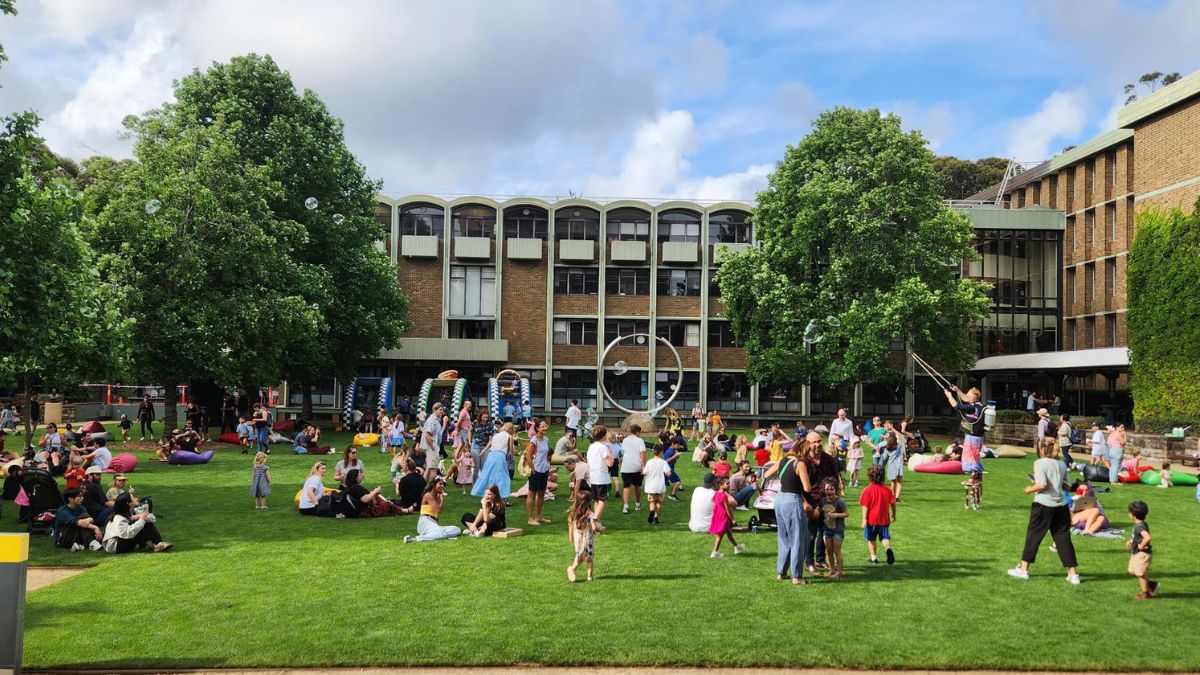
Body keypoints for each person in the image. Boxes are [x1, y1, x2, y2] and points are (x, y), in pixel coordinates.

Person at [1007, 438, 1080, 585]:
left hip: (1043, 505)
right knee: (1063, 538)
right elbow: (1067, 486)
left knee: (1033, 536)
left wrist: (1029, 489)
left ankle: (1023, 569)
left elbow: (1041, 484)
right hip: (1061, 506)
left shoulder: (1039, 463)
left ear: (1041, 449)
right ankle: (1073, 575)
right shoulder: (1061, 464)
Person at [762, 442, 812, 584]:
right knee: (797, 539)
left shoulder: (783, 460)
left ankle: (781, 573)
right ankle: (796, 576)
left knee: (783, 538)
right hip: (793, 500)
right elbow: (807, 488)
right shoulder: (800, 464)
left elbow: (766, 474)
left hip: (779, 499)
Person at [801, 431, 838, 572]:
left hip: (826, 501)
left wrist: (834, 501)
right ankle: (808, 562)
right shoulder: (803, 462)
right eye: (813, 442)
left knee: (826, 531)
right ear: (807, 444)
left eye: (819, 441)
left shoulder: (829, 459)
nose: (817, 444)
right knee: (811, 533)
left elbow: (834, 480)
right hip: (810, 502)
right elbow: (800, 487)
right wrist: (807, 505)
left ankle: (820, 559)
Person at [943, 385, 986, 504]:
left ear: (974, 397)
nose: (966, 396)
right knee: (975, 456)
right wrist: (957, 391)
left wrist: (949, 395)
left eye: (969, 394)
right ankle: (976, 476)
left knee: (970, 455)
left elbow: (956, 406)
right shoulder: (978, 405)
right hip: (978, 437)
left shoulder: (972, 408)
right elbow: (966, 398)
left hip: (973, 437)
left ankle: (973, 477)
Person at [103, 493, 172, 553]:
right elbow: (127, 533)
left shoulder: (132, 511)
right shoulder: (118, 518)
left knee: (143, 523)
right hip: (115, 546)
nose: (136, 499)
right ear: (128, 503)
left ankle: (156, 544)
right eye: (133, 498)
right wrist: (141, 519)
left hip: (120, 541)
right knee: (142, 524)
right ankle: (157, 544)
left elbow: (153, 519)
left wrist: (141, 516)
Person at [404, 477, 461, 543]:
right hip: (425, 522)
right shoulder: (428, 495)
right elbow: (438, 510)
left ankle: (437, 535)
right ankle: (415, 539)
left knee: (456, 529)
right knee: (440, 532)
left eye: (443, 484)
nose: (442, 486)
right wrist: (442, 499)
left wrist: (440, 498)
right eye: (440, 484)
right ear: (434, 485)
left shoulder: (437, 496)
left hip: (433, 523)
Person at [860, 464, 896, 565]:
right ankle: (888, 549)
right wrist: (894, 514)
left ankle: (873, 558)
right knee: (885, 537)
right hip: (884, 519)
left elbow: (865, 506)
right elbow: (893, 503)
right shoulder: (887, 490)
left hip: (871, 520)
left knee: (871, 538)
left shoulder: (867, 490)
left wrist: (864, 519)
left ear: (869, 477)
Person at [1126, 500, 1158, 600]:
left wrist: (1141, 546)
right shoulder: (1140, 524)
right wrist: (1131, 541)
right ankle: (1151, 584)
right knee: (1131, 571)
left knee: (1139, 573)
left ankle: (1145, 593)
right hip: (1136, 553)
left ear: (1133, 515)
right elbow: (1138, 537)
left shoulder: (1139, 527)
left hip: (1142, 554)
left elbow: (1147, 537)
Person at [473, 421, 514, 499]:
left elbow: (491, 445)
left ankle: (486, 494)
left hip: (491, 456)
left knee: (488, 475)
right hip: (500, 456)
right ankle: (502, 496)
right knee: (502, 477)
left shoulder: (496, 435)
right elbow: (510, 451)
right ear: (510, 429)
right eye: (513, 429)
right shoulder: (509, 437)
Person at [585, 424, 613, 531]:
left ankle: (597, 523)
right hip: (601, 477)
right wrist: (611, 451)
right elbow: (610, 463)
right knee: (602, 500)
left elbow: (588, 462)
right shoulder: (603, 448)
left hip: (593, 477)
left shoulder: (591, 447)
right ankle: (594, 519)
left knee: (597, 500)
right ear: (603, 436)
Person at [819, 479, 849, 579]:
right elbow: (819, 510)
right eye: (827, 489)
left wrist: (836, 515)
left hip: (837, 530)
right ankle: (832, 570)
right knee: (829, 551)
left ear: (835, 490)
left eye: (831, 489)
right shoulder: (823, 500)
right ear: (824, 490)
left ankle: (840, 572)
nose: (829, 491)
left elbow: (846, 514)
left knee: (837, 551)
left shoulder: (839, 502)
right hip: (827, 530)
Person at [708, 476, 743, 558]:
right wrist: (731, 520)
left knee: (729, 533)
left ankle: (737, 547)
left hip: (718, 515)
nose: (729, 485)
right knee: (719, 536)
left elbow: (714, 506)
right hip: (723, 517)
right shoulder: (724, 496)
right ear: (721, 485)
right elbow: (727, 509)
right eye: (727, 484)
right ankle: (714, 552)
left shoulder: (716, 494)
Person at [567, 489, 596, 582]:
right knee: (588, 558)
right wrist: (601, 529)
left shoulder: (574, 512)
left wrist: (570, 537)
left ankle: (575, 571)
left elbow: (570, 525)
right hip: (587, 539)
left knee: (580, 556)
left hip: (577, 538)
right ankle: (574, 570)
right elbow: (594, 528)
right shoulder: (590, 514)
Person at [641, 444, 672, 524]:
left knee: (652, 501)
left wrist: (643, 472)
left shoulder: (649, 462)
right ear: (661, 452)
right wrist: (669, 474)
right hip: (660, 485)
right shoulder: (663, 462)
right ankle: (656, 517)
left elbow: (644, 473)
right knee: (659, 502)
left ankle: (651, 510)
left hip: (651, 485)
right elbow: (668, 473)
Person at [620, 424, 646, 514]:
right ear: (637, 432)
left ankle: (625, 506)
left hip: (626, 466)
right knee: (637, 486)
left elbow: (623, 452)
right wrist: (643, 466)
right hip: (636, 466)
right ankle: (638, 504)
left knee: (626, 486)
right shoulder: (640, 440)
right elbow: (642, 454)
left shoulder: (625, 440)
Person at [419, 403, 445, 482]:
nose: (442, 411)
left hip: (433, 446)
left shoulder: (436, 419)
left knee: (429, 468)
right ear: (435, 410)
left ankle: (422, 487)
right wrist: (433, 447)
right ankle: (431, 490)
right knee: (434, 470)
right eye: (440, 410)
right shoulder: (432, 420)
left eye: (442, 410)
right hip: (432, 447)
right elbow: (427, 434)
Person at [880, 432, 905, 502]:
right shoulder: (899, 446)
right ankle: (897, 497)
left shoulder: (887, 449)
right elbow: (902, 453)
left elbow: (884, 458)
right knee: (899, 482)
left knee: (893, 482)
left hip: (891, 466)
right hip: (899, 466)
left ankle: (892, 496)